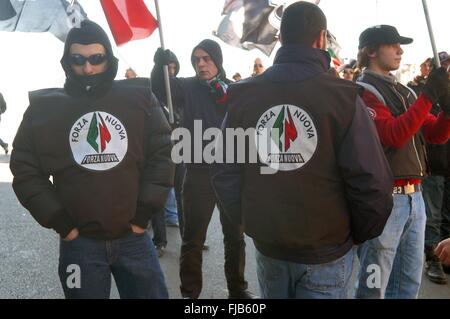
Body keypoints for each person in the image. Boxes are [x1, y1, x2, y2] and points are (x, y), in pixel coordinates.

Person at [211, 1, 394, 299]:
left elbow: (223, 170)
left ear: (281, 37)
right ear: (321, 38)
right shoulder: (343, 98)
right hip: (326, 252)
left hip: (271, 248)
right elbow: (372, 181)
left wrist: (249, 221)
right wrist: (353, 236)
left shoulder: (245, 95)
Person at [10, 21, 174, 299]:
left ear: (109, 58)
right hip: (80, 245)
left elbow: (164, 153)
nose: (88, 68)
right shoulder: (44, 109)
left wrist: (143, 213)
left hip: (134, 239)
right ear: (67, 61)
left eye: (96, 59)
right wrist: (60, 222)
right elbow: (25, 169)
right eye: (78, 60)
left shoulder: (139, 98)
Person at [151, 39, 254, 299]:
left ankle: (238, 291)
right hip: (198, 174)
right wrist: (158, 66)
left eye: (206, 58)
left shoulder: (233, 89)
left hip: (230, 174)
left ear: (217, 61)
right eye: (196, 59)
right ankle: (190, 295)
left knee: (235, 237)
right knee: (192, 240)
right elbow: (160, 90)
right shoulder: (186, 86)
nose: (200, 64)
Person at [354, 25, 450, 299]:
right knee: (374, 285)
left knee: (408, 283)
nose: (400, 50)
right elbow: (393, 135)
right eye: (392, 44)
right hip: (385, 200)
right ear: (371, 50)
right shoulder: (361, 92)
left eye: (400, 44)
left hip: (415, 199)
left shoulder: (406, 92)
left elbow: (436, 135)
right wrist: (429, 95)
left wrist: (447, 112)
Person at [416, 52, 450, 285]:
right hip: (435, 164)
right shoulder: (423, 92)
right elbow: (429, 128)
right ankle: (433, 258)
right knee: (433, 217)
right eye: (444, 65)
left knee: (447, 215)